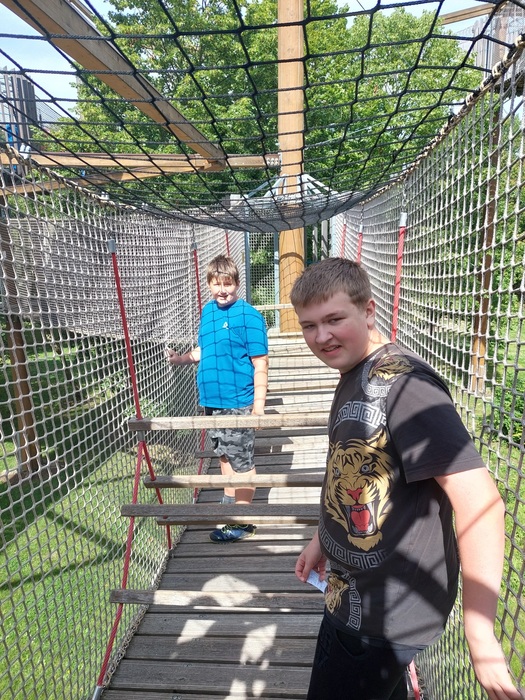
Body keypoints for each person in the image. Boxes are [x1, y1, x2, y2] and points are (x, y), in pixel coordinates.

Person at [289, 257, 522, 700]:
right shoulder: (355, 370)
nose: (321, 337)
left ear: (369, 310)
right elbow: (351, 470)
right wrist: (323, 538)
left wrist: (480, 634)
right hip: (354, 593)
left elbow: (481, 503)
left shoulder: (406, 387)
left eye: (334, 319)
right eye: (309, 325)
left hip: (383, 616)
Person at [167, 254, 268, 542]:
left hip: (237, 402)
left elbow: (260, 362)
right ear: (209, 284)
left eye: (228, 283)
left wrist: (258, 407)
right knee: (223, 454)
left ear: (237, 283)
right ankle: (229, 503)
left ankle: (243, 521)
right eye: (216, 284)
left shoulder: (249, 316)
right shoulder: (209, 311)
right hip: (211, 403)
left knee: (241, 461)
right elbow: (204, 350)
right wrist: (181, 359)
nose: (222, 290)